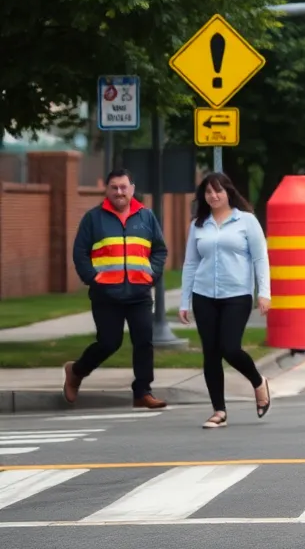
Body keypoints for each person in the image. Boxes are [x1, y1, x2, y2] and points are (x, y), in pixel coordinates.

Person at [62, 169, 169, 409]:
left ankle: (142, 392)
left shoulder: (146, 217)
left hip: (139, 293)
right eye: (114, 187)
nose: (119, 192)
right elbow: (80, 253)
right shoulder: (93, 218)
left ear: (132, 188)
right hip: (106, 294)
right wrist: (93, 278)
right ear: (107, 190)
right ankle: (76, 371)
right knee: (109, 342)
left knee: (144, 341)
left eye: (123, 187)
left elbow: (160, 250)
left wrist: (151, 274)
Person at [178, 173, 273, 427]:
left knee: (230, 348)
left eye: (218, 191)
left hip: (237, 295)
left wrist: (264, 292)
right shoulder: (198, 224)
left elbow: (260, 258)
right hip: (204, 295)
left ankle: (257, 381)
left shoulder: (247, 221)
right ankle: (219, 411)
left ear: (228, 192)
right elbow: (190, 263)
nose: (213, 196)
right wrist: (184, 300)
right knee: (211, 353)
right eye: (208, 192)